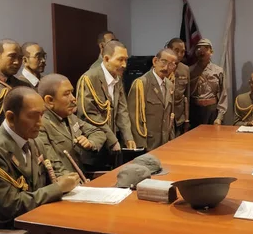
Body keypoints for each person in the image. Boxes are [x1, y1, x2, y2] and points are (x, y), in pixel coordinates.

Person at [0, 87, 79, 234]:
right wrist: (58, 188)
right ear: (11, 117)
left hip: (39, 224)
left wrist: (67, 180)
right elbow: (10, 207)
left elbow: (51, 173)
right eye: (33, 116)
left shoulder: (32, 140)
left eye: (42, 115)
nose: (40, 123)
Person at [76, 40, 136, 169]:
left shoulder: (118, 78)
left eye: (126, 60)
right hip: (94, 145)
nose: (124, 65)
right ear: (107, 59)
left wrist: (128, 137)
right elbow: (90, 115)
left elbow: (122, 110)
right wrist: (112, 140)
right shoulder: (89, 79)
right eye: (120, 60)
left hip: (112, 146)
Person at [37, 74, 107, 175]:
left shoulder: (69, 117)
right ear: (50, 100)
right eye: (66, 94)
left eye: (72, 93)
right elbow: (53, 165)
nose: (73, 98)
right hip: (64, 183)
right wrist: (73, 181)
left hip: (80, 177)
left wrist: (90, 143)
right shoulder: (40, 124)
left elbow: (98, 132)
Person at [128, 48, 176, 151]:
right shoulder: (142, 83)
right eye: (164, 62)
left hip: (164, 143)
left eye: (171, 64)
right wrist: (142, 146)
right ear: (155, 61)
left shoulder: (170, 85)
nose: (166, 67)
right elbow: (135, 119)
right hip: (148, 144)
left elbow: (170, 117)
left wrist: (171, 141)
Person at [189, 38, 228, 127]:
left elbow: (223, 94)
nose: (201, 51)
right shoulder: (190, 71)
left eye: (205, 48)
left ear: (211, 51)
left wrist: (219, 117)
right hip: (195, 111)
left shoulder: (218, 71)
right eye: (198, 48)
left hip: (212, 111)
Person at [166, 38, 190, 136]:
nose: (180, 54)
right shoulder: (161, 67)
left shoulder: (185, 69)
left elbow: (187, 96)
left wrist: (187, 119)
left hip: (179, 118)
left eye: (183, 52)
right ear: (168, 49)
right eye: (176, 50)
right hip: (164, 118)